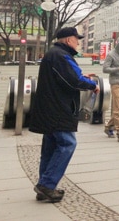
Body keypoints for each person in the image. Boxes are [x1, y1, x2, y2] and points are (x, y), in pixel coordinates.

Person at [29, 27, 98, 203]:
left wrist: (82, 75)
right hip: (58, 109)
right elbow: (73, 81)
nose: (78, 43)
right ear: (68, 40)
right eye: (77, 39)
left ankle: (44, 186)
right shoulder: (61, 56)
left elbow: (65, 77)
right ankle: (46, 184)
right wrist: (91, 84)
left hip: (49, 107)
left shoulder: (54, 54)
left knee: (50, 148)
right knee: (68, 143)